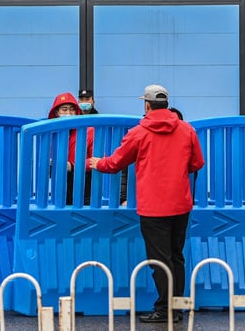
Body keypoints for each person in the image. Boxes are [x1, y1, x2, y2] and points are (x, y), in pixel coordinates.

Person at [88, 84, 204, 324]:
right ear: (167, 105)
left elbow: (115, 163)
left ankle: (164, 310)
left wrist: (97, 162)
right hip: (181, 204)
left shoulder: (139, 133)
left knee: (159, 260)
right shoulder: (186, 130)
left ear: (147, 105)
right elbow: (197, 163)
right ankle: (176, 308)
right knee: (176, 257)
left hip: (153, 207)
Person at [50, 92, 93, 204]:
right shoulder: (50, 134)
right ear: (56, 112)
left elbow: (97, 160)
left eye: (72, 109)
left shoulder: (88, 131)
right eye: (64, 109)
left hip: (84, 185)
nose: (69, 113)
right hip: (58, 186)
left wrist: (73, 166)